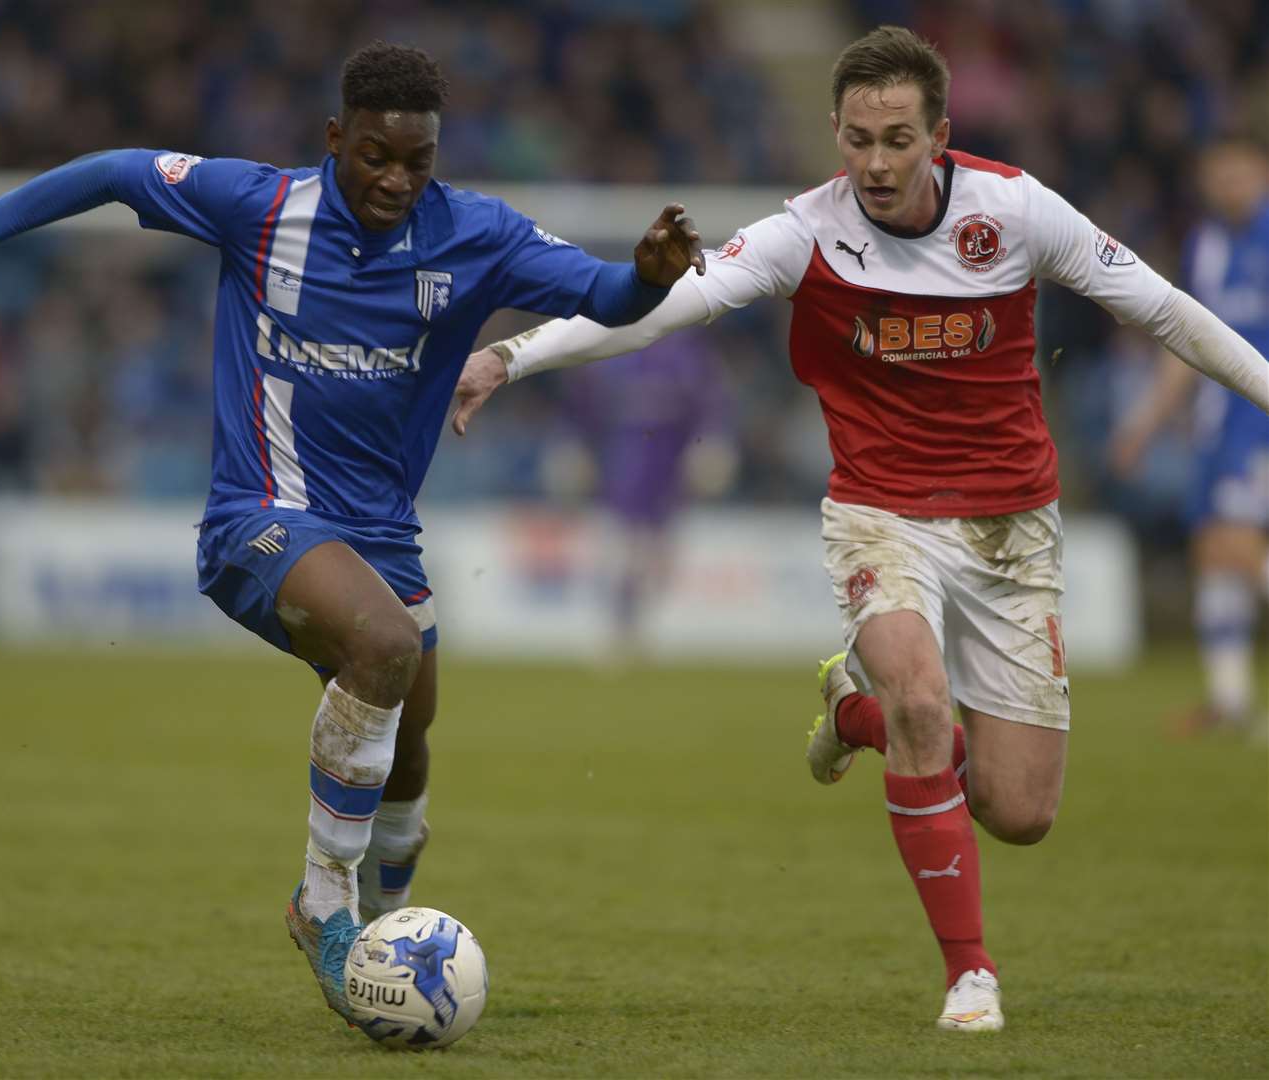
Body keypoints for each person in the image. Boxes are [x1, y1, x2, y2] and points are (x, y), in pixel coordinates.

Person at [452, 26, 1269, 1033]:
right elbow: (660, 309)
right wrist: (511, 356)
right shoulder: (804, 233)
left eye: (896, 139)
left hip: (1011, 528)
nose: (875, 163)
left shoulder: (1013, 211)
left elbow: (1164, 311)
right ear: (834, 134)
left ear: (940, 136)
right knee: (924, 699)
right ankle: (968, 973)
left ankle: (852, 715)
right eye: (856, 139)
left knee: (1019, 813)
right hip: (879, 514)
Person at [0, 41, 704, 1028]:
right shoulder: (260, 205)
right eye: (374, 156)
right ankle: (320, 901)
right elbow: (114, 171)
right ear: (336, 139)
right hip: (257, 519)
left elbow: (605, 297)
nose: (395, 180)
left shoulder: (476, 235)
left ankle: (388, 926)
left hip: (382, 539)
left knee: (410, 752)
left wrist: (651, 275)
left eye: (416, 161)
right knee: (385, 647)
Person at [1110, 134, 1269, 739]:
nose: (1228, 182)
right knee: (1213, 556)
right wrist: (1144, 425)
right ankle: (1229, 701)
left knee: (1234, 545)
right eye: (1217, 172)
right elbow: (1186, 342)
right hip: (1215, 423)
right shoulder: (1206, 245)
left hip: (1258, 419)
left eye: (1239, 170)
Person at [554, 328, 735, 660]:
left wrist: (712, 442)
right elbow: (580, 406)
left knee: (655, 554)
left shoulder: (687, 354)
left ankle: (641, 628)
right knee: (621, 550)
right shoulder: (610, 345)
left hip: (668, 474)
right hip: (620, 471)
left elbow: (711, 405)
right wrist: (573, 445)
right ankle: (619, 628)